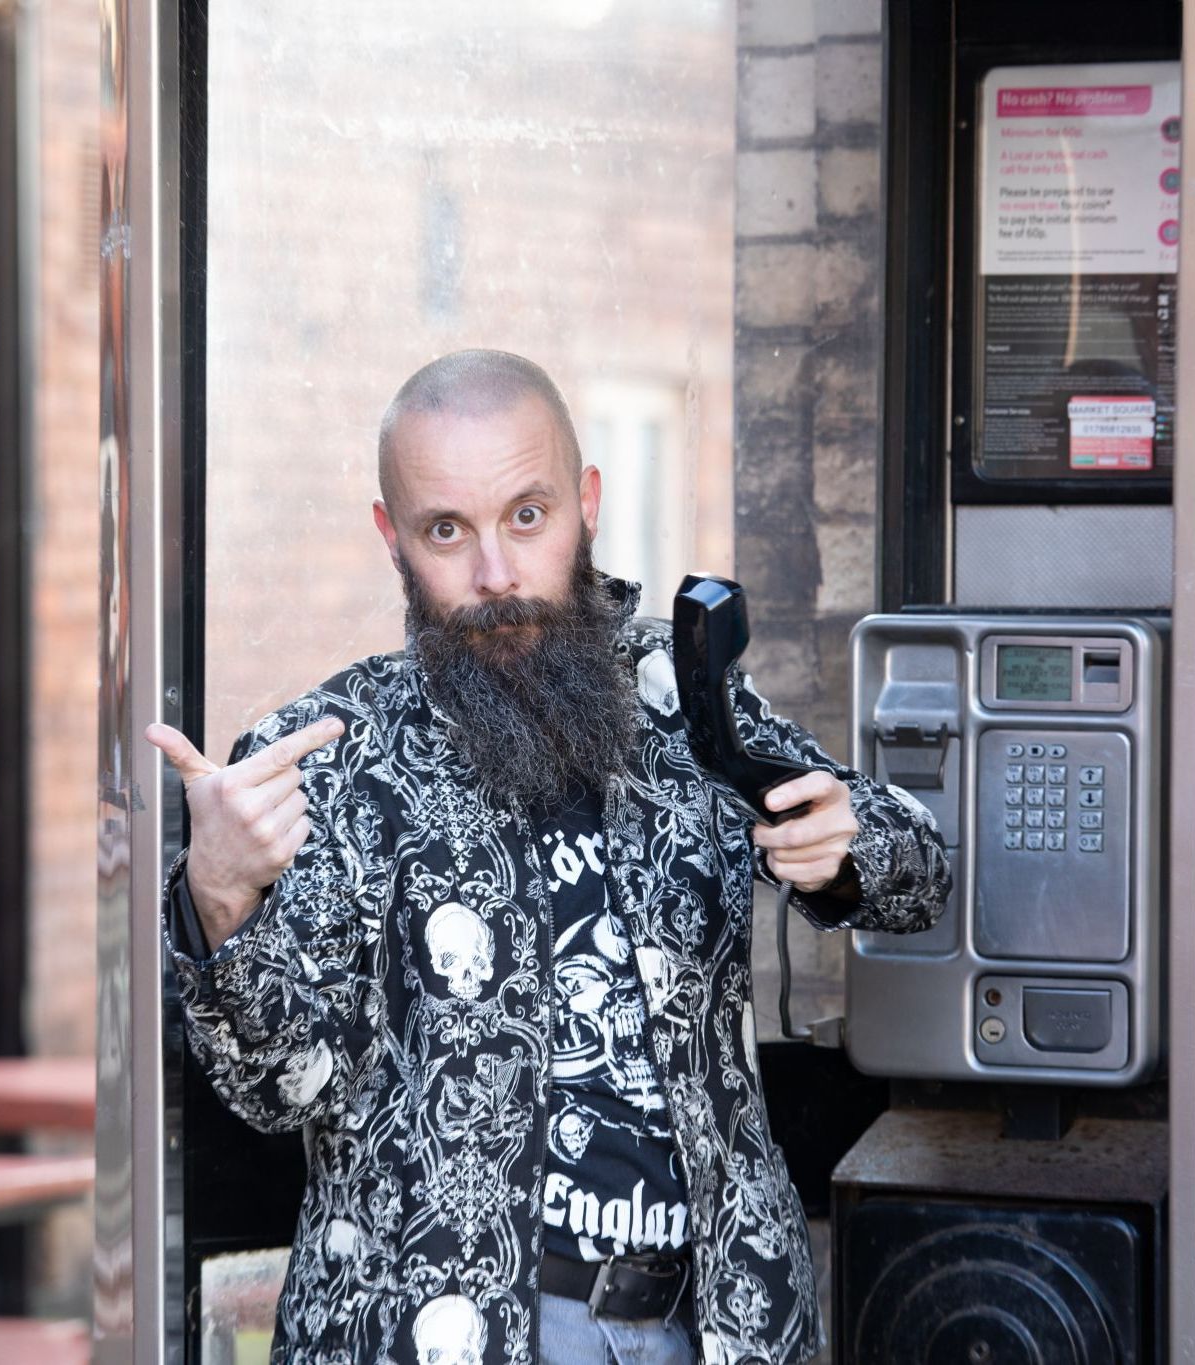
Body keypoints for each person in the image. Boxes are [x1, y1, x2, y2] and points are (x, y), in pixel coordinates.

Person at [149, 350, 950, 1365]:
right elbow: (280, 1088)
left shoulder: (681, 698)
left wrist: (844, 844)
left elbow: (919, 877)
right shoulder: (332, 753)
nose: (495, 575)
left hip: (715, 1327)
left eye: (526, 517)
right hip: (440, 1333)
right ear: (391, 537)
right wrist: (218, 894)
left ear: (586, 503)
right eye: (448, 531)